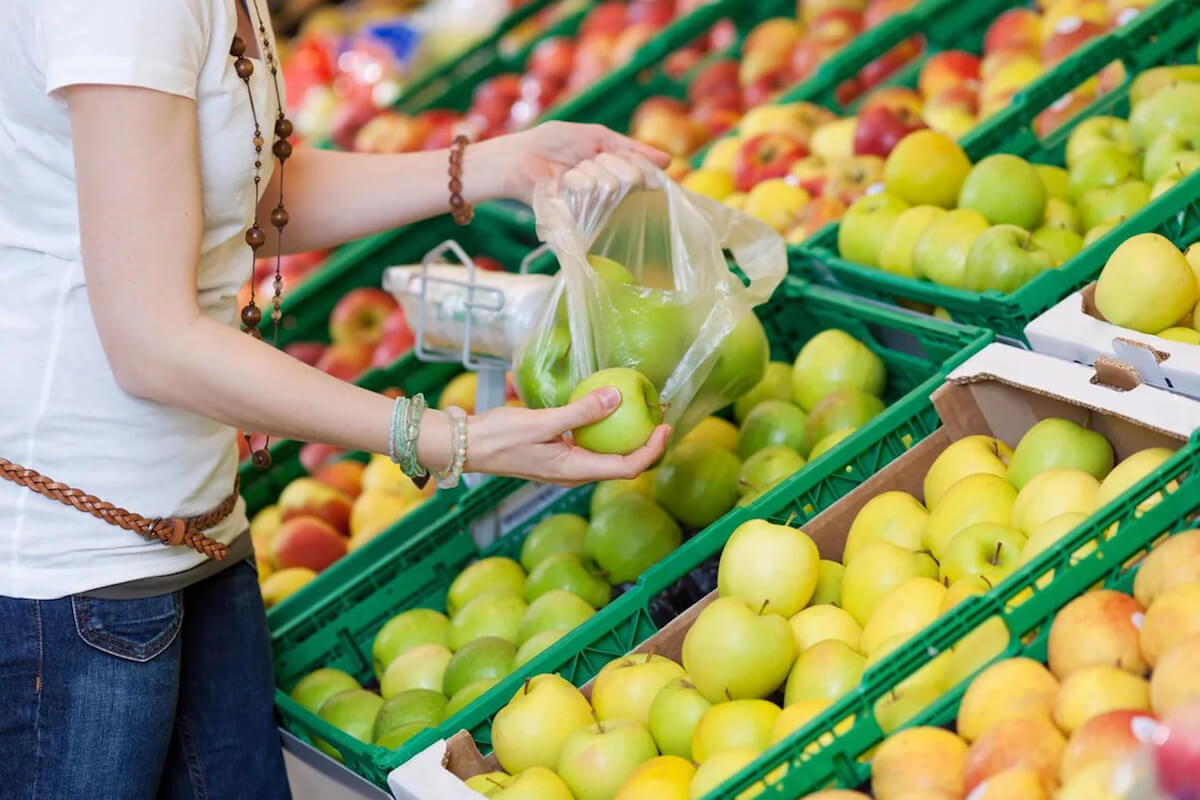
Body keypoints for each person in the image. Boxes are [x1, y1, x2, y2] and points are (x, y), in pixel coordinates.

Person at [0, 0, 671, 797]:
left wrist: (500, 164)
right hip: (79, 566)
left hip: (197, 521)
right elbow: (152, 343)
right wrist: (447, 438)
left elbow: (249, 185)